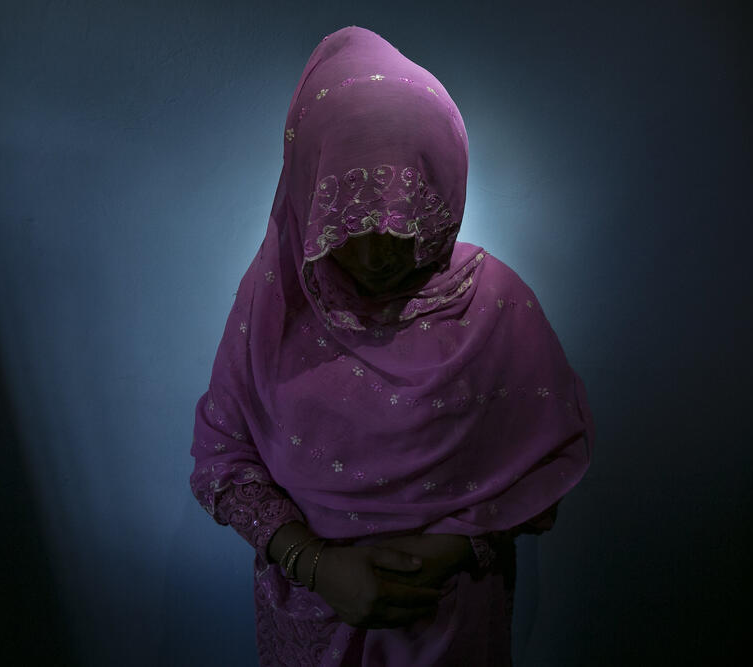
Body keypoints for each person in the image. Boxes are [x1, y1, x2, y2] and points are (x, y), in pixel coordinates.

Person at [189, 25, 595, 666]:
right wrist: (319, 566)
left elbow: (549, 460)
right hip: (310, 626)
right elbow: (221, 463)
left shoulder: (495, 306)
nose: (382, 251)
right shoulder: (275, 308)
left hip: (449, 625)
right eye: (352, 216)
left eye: (407, 212)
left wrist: (457, 550)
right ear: (310, 192)